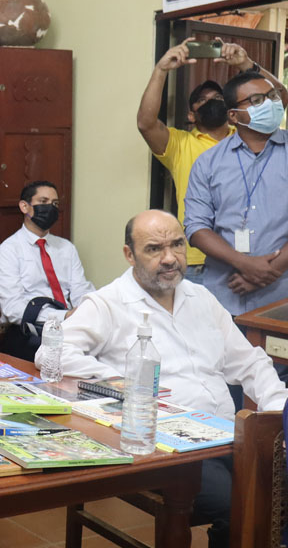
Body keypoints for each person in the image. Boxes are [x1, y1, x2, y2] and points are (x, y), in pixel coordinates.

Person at [35, 210, 288, 548]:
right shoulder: (108, 303)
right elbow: (51, 354)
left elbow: (251, 363)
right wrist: (125, 383)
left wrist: (278, 417)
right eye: (155, 249)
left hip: (227, 433)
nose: (170, 259)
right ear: (130, 254)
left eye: (177, 245)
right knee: (239, 501)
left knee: (276, 489)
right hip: (163, 445)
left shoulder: (202, 299)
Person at [136, 37, 286, 284]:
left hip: (271, 262)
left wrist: (247, 64)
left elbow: (277, 97)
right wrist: (161, 69)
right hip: (199, 262)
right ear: (191, 115)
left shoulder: (255, 134)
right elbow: (146, 123)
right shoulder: (181, 144)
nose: (211, 102)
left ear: (232, 113)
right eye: (202, 101)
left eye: (217, 97)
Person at [185, 70, 288, 318]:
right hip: (222, 296)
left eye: (272, 96)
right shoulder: (208, 162)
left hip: (281, 298)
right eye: (256, 100)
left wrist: (266, 273)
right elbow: (196, 227)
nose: (270, 104)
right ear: (233, 115)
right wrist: (245, 264)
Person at [0, 181, 95, 360]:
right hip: (30, 330)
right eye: (43, 202)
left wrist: (90, 308)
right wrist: (64, 316)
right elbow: (13, 309)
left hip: (70, 327)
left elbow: (80, 288)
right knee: (69, 358)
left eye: (54, 204)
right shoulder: (9, 251)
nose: (50, 208)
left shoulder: (66, 248)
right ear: (25, 206)